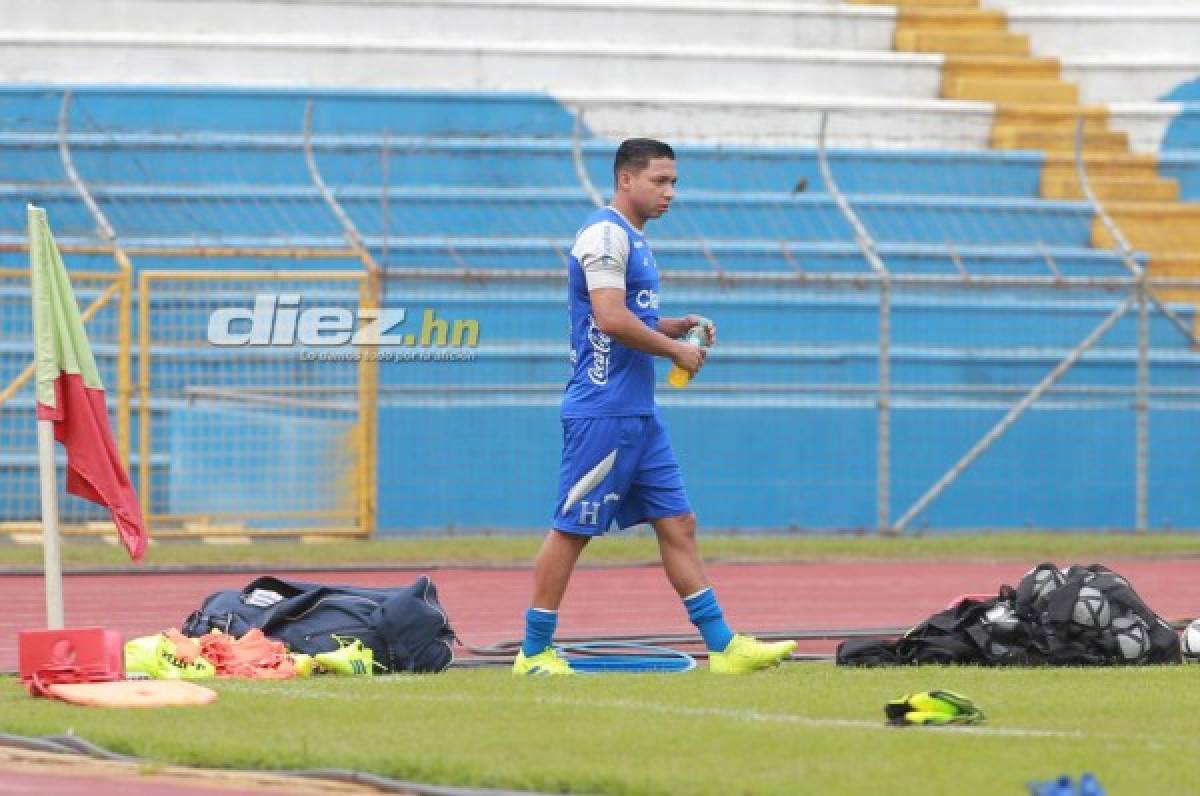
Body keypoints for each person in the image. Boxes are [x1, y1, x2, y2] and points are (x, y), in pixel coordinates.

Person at [513, 138, 797, 675]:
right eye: (659, 181)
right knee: (572, 529)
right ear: (626, 180)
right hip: (603, 411)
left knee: (678, 523)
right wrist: (674, 350)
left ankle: (723, 647)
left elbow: (629, 317)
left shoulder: (635, 239)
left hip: (639, 414)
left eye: (674, 182)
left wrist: (672, 326)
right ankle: (532, 652)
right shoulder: (604, 235)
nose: (670, 193)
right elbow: (609, 319)